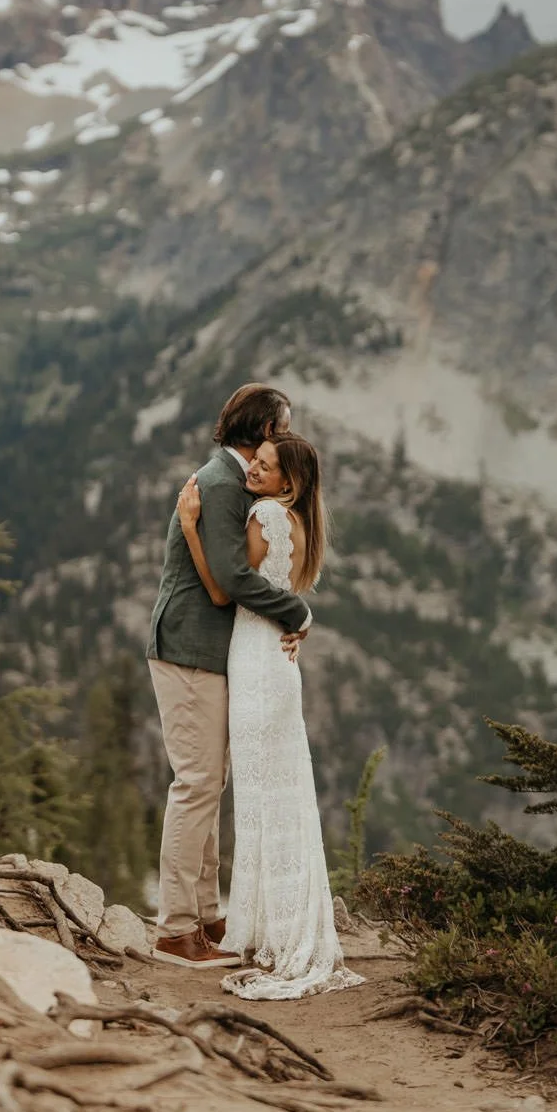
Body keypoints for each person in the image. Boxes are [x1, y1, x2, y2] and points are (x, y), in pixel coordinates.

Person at [176, 430, 363, 999]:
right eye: (253, 462)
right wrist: (299, 619)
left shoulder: (265, 515)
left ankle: (271, 935)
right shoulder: (300, 520)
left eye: (264, 465)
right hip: (274, 664)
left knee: (260, 799)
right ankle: (276, 927)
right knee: (279, 798)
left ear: (290, 480)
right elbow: (275, 593)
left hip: (258, 662)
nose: (252, 472)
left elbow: (223, 590)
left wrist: (189, 526)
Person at [144, 384, 311, 968]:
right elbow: (232, 578)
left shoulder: (231, 481)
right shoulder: (218, 485)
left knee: (209, 783)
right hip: (189, 649)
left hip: (210, 653)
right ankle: (175, 930)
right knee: (195, 784)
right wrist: (296, 611)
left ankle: (207, 916)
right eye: (282, 428)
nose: (285, 438)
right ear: (264, 431)